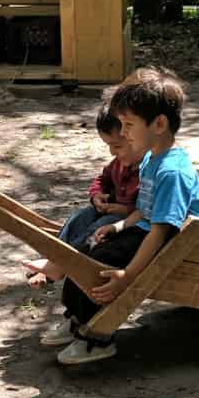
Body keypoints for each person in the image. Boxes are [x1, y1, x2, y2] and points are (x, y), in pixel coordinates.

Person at [40, 67, 199, 365]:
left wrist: (128, 276)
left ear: (158, 124)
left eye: (129, 124)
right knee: (86, 250)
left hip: (178, 245)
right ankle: (78, 318)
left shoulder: (171, 171)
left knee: (103, 265)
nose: (125, 132)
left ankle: (98, 338)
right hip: (147, 230)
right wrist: (118, 226)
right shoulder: (151, 161)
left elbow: (161, 231)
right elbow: (144, 211)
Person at [23, 101, 140, 287]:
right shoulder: (118, 163)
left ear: (134, 137)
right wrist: (97, 195)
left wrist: (124, 209)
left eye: (117, 146)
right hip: (110, 210)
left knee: (98, 226)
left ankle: (61, 264)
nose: (112, 152)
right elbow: (102, 180)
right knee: (79, 217)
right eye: (109, 146)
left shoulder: (146, 170)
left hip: (128, 222)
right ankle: (52, 257)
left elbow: (147, 208)